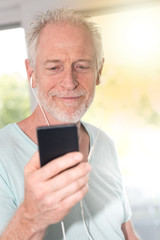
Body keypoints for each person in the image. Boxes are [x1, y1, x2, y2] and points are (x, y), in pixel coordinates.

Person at [0, 8, 139, 240]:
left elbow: (128, 233)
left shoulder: (105, 143)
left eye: (81, 66)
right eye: (54, 67)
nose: (69, 82)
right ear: (31, 72)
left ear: (98, 71)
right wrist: (30, 217)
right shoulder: (2, 153)